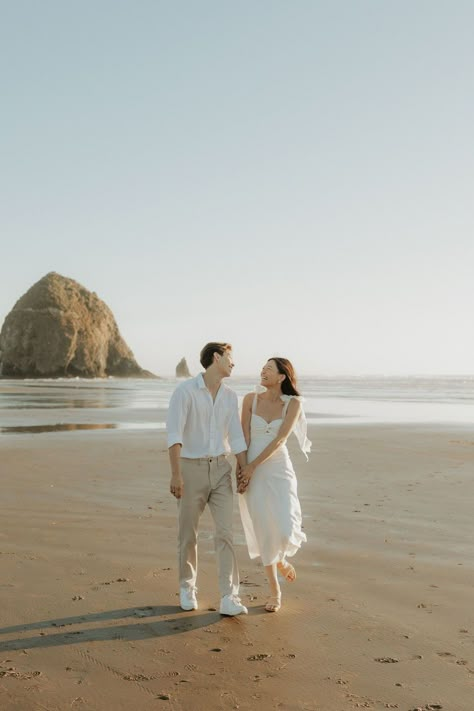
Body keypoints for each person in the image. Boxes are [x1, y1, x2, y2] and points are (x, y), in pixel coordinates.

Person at [166, 342, 249, 616]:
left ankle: (229, 596)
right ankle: (187, 587)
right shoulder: (185, 392)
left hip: (222, 469)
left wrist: (243, 469)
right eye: (230, 358)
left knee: (225, 533)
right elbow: (174, 435)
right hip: (191, 469)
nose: (233, 363)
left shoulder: (230, 396)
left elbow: (235, 437)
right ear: (216, 357)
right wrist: (176, 474)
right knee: (187, 534)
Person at [237, 357, 310, 613]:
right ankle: (275, 592)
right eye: (262, 368)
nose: (263, 371)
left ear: (282, 377)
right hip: (250, 468)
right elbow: (243, 435)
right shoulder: (249, 400)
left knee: (286, 527)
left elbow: (280, 439)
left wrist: (252, 465)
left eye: (269, 369)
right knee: (264, 529)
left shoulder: (294, 403)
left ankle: (281, 558)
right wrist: (242, 468)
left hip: (278, 468)